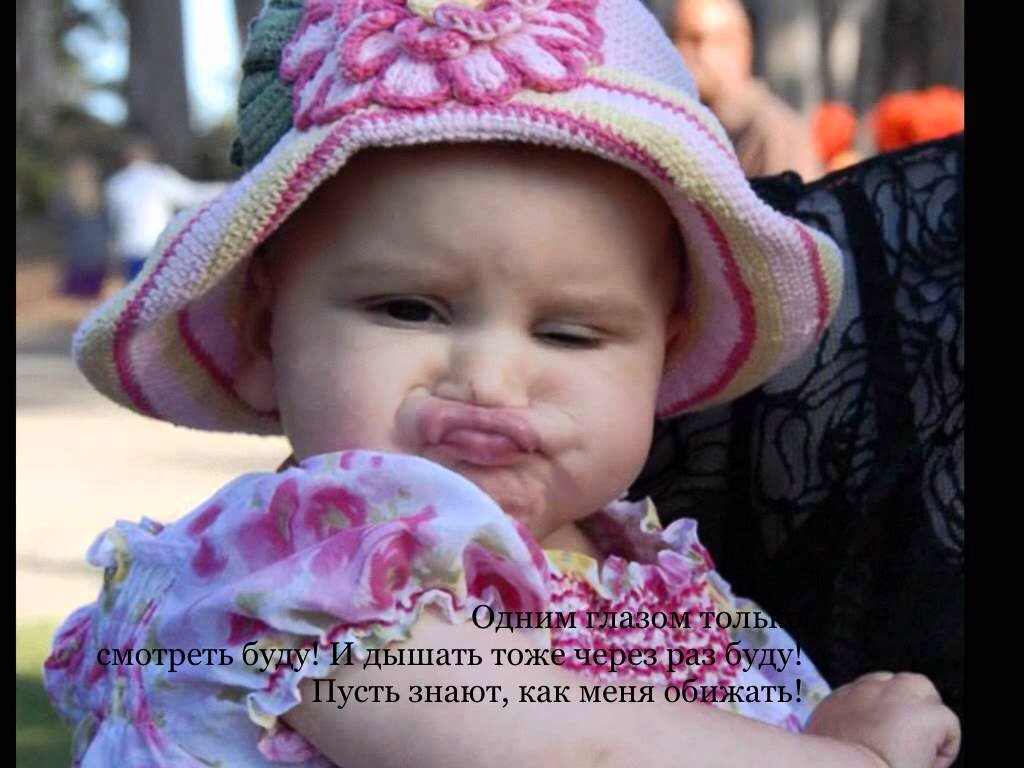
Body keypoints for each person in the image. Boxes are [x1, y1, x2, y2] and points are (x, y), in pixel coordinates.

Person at [44, 1, 959, 766]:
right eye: (408, 309)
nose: (488, 379)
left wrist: (816, 719)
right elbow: (566, 748)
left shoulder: (657, 574)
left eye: (569, 331)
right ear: (261, 333)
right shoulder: (302, 561)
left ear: (663, 352)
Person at [674, 0, 824, 179]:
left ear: (743, 45)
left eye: (698, 39)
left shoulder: (774, 131)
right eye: (681, 39)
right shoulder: (687, 122)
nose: (696, 54)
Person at [103, 136, 226, 283]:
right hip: (158, 249)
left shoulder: (114, 184)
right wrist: (229, 188)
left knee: (137, 292)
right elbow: (192, 195)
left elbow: (113, 224)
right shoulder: (158, 177)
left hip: (131, 251)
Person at [50, 154, 110, 299]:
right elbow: (108, 224)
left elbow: (57, 223)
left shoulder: (64, 196)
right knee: (93, 297)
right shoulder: (101, 195)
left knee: (75, 297)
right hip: (96, 252)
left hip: (76, 252)